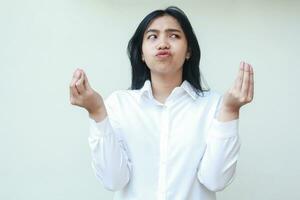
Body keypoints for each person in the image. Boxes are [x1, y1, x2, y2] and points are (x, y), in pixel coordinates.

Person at [69, 6, 254, 200]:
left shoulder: (214, 105)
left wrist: (231, 110)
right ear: (141, 53)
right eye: (152, 37)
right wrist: (97, 112)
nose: (163, 43)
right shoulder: (118, 104)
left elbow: (215, 180)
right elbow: (113, 180)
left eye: (173, 36)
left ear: (189, 50)